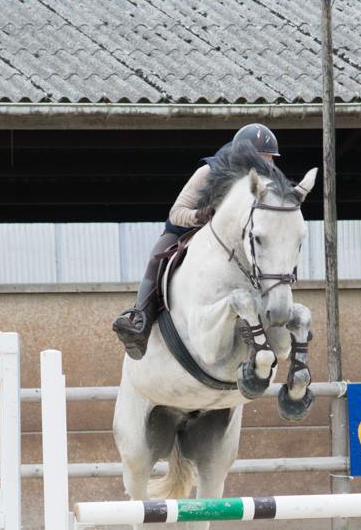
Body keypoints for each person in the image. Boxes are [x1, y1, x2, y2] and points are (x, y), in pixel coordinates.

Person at [112, 123, 281, 359]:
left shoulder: (266, 184)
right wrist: (198, 216)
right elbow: (176, 211)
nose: (267, 166)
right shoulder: (208, 172)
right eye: (261, 160)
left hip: (237, 240)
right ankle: (139, 321)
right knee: (154, 259)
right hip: (186, 230)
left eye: (270, 160)